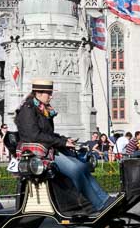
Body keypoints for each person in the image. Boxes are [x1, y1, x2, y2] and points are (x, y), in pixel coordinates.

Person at [16, 78, 111, 211]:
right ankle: (97, 204)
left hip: (48, 148)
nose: (51, 96)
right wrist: (62, 142)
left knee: (82, 167)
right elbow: (34, 135)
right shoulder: (28, 109)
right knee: (75, 169)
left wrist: (65, 140)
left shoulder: (42, 109)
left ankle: (104, 198)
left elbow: (48, 133)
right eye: (48, 93)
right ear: (38, 93)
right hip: (37, 154)